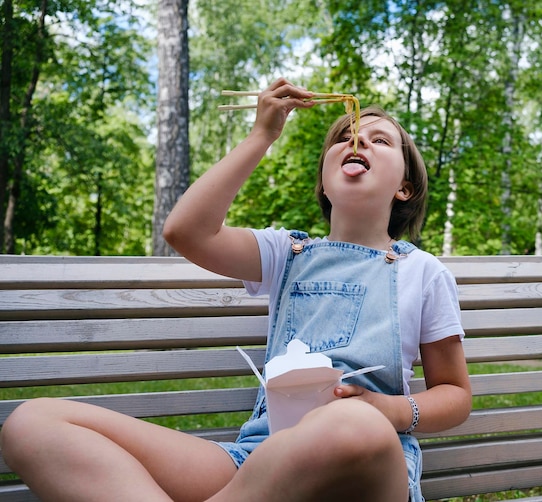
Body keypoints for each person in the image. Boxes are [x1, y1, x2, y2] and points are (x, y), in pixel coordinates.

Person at [1, 77, 471, 502]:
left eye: (379, 139)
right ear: (325, 185)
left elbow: (454, 394)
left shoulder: (422, 273)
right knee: (33, 424)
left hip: (366, 466)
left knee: (352, 425)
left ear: (404, 187)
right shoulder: (286, 252)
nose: (357, 139)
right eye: (345, 139)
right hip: (253, 463)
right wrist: (261, 136)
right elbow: (186, 231)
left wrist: (387, 410)